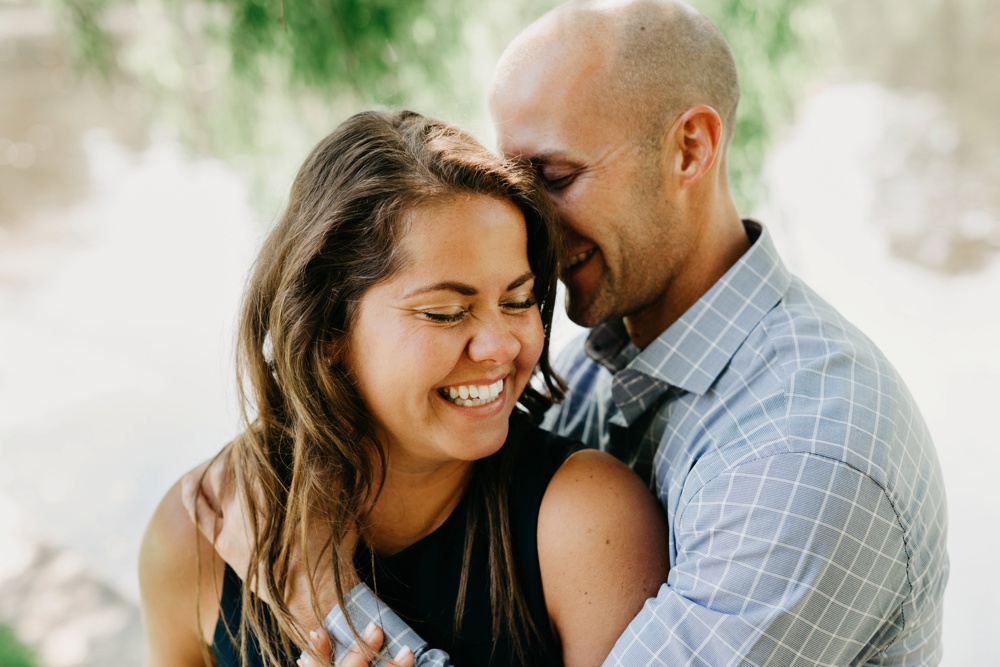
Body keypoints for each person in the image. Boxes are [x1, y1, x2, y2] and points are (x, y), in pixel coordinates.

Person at [268, 0, 947, 665]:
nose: (527, 224)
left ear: (691, 148)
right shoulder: (591, 371)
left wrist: (320, 592)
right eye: (513, 184)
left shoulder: (803, 451)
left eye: (554, 178)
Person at [138, 109, 669, 667]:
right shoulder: (194, 537)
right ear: (327, 333)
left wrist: (326, 603)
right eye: (444, 312)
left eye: (517, 301)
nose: (501, 346)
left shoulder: (588, 523)